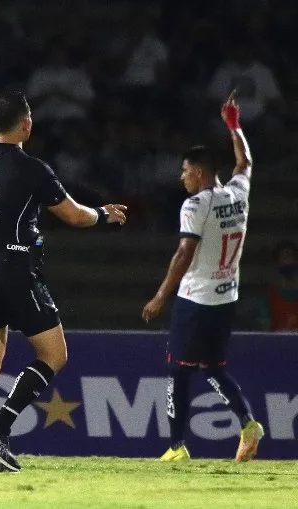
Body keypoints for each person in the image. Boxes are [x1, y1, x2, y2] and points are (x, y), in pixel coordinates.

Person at [0, 90, 127, 472]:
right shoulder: (33, 168)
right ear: (27, 124)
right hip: (14, 270)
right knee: (54, 355)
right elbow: (74, 216)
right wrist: (104, 215)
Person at [142, 91, 265, 462]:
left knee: (178, 373)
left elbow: (184, 252)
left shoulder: (196, 204)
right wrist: (234, 125)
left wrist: (161, 296)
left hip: (197, 299)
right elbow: (245, 161)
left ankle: (176, 447)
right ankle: (247, 423)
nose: (181, 177)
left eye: (184, 171)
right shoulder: (237, 194)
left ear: (198, 172)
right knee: (213, 368)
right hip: (227, 296)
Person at [254, 240, 298, 331]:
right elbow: (264, 330)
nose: (288, 261)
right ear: (277, 262)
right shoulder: (268, 297)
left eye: (291, 256)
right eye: (284, 256)